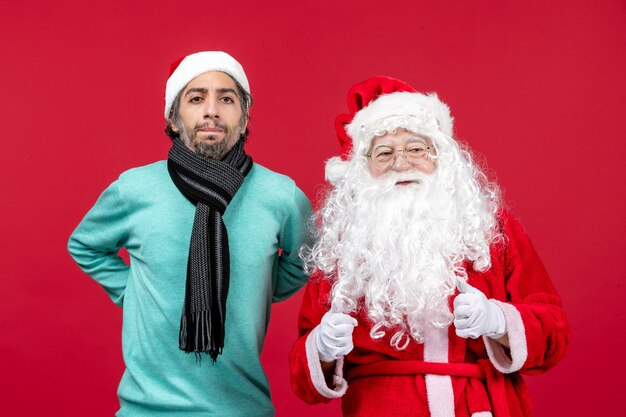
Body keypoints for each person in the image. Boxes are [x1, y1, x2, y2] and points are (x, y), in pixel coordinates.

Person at [289, 76, 569, 417]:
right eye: (385, 152)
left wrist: (498, 321)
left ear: (441, 156)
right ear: (364, 169)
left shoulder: (490, 226)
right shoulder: (344, 244)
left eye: (416, 149)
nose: (402, 162)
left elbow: (554, 332)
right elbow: (302, 378)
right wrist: (321, 347)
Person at [68, 51, 312, 416]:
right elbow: (85, 245)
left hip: (242, 408)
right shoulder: (134, 189)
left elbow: (307, 258)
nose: (211, 110)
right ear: (173, 117)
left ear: (245, 119)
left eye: (226, 99)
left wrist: (253, 290)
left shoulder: (281, 195)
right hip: (144, 409)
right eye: (196, 98)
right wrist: (133, 293)